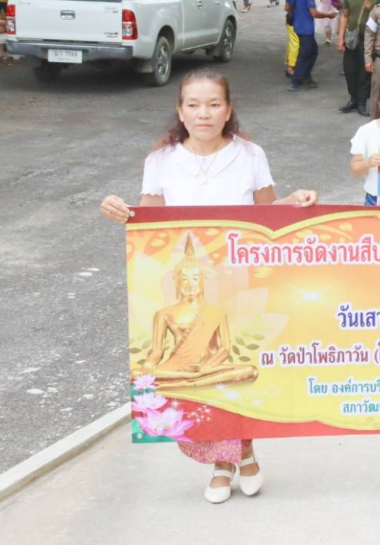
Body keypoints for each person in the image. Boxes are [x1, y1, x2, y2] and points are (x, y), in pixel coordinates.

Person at [99, 69, 318, 504]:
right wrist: (118, 210)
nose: (204, 113)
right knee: (193, 381)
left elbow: (266, 215)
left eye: (214, 104)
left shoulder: (250, 154)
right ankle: (242, 457)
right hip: (185, 291)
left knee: (238, 374)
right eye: (194, 105)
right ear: (180, 111)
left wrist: (294, 202)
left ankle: (226, 463)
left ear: (228, 109)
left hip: (239, 283)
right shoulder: (160, 161)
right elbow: (151, 227)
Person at [339, 0, 380, 117]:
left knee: (364, 72)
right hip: (351, 38)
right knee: (349, 70)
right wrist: (340, 39)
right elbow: (345, 16)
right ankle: (353, 99)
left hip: (368, 40)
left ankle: (362, 102)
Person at [286, 0, 324, 92]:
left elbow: (287, 7)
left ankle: (306, 76)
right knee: (304, 54)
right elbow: (313, 13)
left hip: (296, 25)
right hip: (306, 28)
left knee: (312, 51)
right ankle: (296, 81)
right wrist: (329, 15)